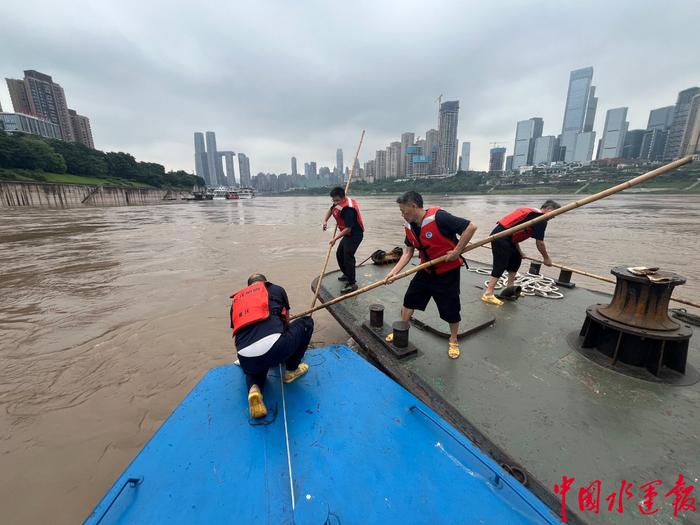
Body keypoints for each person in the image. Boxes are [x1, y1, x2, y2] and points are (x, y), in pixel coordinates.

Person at [384, 191, 477, 359]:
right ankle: (402, 328)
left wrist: (457, 251)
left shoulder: (439, 218)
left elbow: (471, 227)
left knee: (451, 308)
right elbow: (408, 252)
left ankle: (454, 339)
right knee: (409, 300)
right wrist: (394, 272)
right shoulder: (409, 227)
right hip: (426, 270)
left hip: (447, 272)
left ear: (413, 206)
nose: (402, 215)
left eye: (403, 211)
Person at [230, 273, 314, 419]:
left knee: (256, 367)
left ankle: (254, 390)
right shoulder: (276, 289)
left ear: (248, 287)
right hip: (274, 349)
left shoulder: (237, 301)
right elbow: (286, 322)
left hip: (244, 357)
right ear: (265, 282)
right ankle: (291, 371)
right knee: (306, 322)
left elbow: (238, 332)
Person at [482, 200, 561, 306]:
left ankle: (510, 289)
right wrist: (546, 258)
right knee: (501, 264)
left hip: (508, 238)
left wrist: (520, 252)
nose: (554, 217)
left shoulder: (533, 214)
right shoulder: (540, 218)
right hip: (500, 238)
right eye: (555, 213)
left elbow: (515, 233)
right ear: (549, 210)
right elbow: (540, 243)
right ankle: (488, 293)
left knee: (516, 259)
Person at [322, 187, 365, 294]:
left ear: (343, 198)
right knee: (339, 254)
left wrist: (335, 239)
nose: (335, 202)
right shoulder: (337, 203)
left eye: (337, 200)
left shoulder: (348, 209)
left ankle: (352, 283)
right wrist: (325, 221)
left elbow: (348, 229)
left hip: (355, 234)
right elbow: (331, 210)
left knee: (348, 256)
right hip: (347, 234)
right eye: (334, 200)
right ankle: (346, 273)